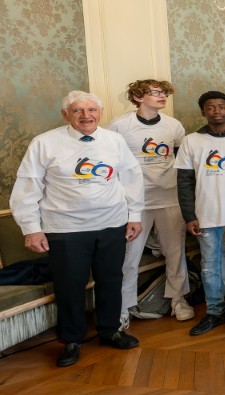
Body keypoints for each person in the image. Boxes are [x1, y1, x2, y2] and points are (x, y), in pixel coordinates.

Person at [12, 91, 145, 367]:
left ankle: (109, 330)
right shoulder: (44, 143)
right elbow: (27, 186)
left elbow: (131, 178)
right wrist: (31, 228)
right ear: (66, 114)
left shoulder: (114, 140)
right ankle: (72, 339)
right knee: (70, 285)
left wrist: (134, 215)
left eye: (92, 110)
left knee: (111, 280)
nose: (86, 116)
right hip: (65, 228)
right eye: (77, 110)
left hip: (112, 224)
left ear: (100, 113)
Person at [174, 91, 225, 337]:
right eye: (210, 107)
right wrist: (189, 216)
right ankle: (215, 311)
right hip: (206, 214)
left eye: (221, 106)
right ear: (204, 112)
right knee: (211, 265)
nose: (217, 111)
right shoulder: (191, 141)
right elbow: (184, 182)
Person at [109, 80, 191, 323]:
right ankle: (123, 308)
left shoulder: (173, 125)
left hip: (169, 198)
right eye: (155, 92)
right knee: (129, 258)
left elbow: (182, 161)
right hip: (135, 204)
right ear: (138, 97)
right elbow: (110, 162)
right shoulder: (120, 125)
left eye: (164, 92)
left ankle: (178, 300)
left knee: (175, 254)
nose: (162, 96)